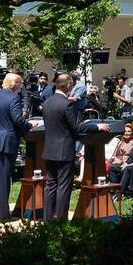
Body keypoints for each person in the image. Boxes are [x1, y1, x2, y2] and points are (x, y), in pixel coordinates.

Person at [42, 73, 88, 220]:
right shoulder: (67, 104)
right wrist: (95, 127)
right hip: (64, 151)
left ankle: (48, 218)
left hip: (49, 150)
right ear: (68, 85)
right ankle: (61, 219)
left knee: (50, 185)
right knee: (63, 186)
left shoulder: (47, 103)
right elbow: (76, 128)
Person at [0, 73, 26, 223]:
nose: (20, 88)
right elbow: (17, 119)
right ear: (14, 85)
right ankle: (2, 214)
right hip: (6, 142)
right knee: (3, 178)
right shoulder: (13, 98)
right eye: (20, 85)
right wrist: (28, 125)